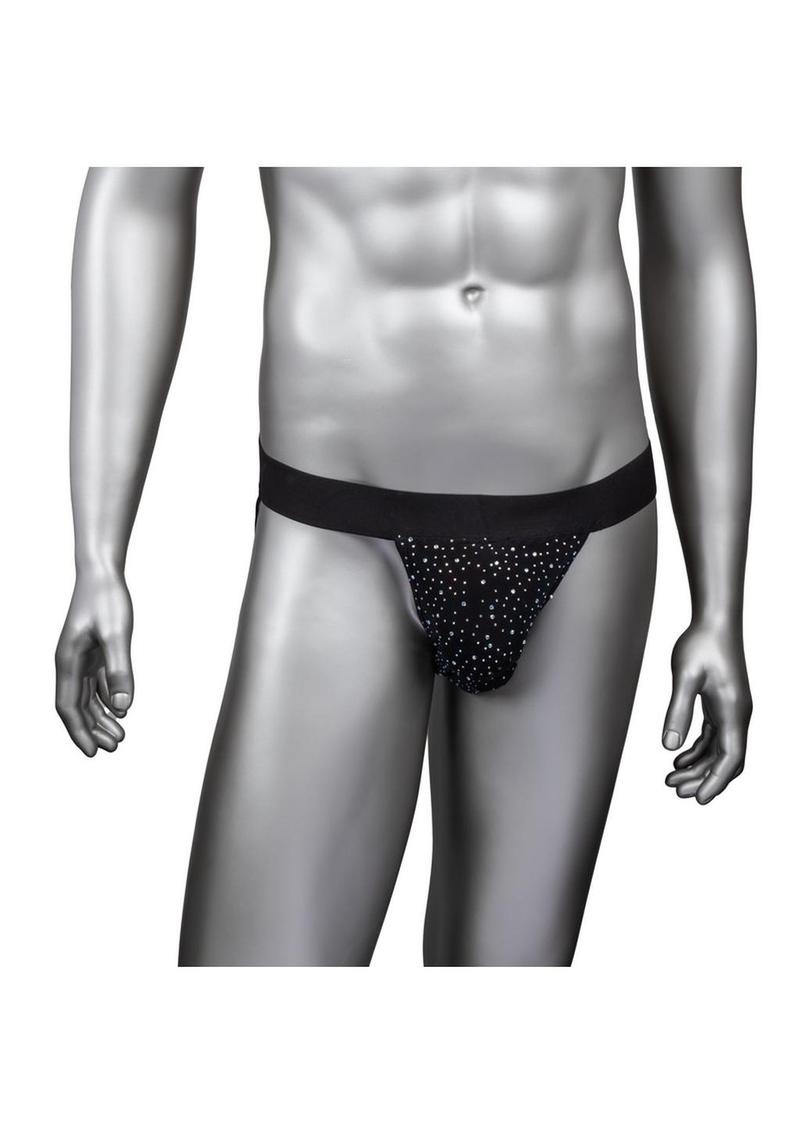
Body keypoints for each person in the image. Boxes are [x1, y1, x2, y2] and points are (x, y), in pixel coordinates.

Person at [56, 168, 756, 965]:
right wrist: (98, 551)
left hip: (586, 521)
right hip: (339, 530)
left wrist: (721, 605)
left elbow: (701, 246)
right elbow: (137, 198)